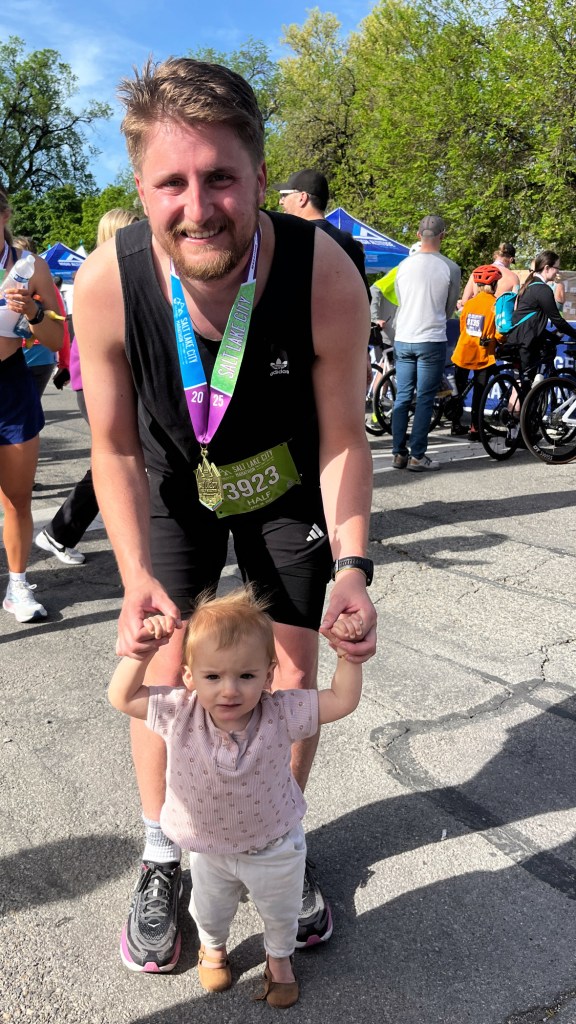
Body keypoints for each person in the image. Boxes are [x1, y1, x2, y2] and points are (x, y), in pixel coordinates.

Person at [73, 58, 376, 975]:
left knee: (290, 667)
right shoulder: (106, 282)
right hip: (177, 481)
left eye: (221, 178)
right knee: (167, 664)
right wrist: (134, 578)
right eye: (172, 181)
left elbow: (343, 435)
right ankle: (165, 851)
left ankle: (278, 834)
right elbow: (113, 448)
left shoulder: (324, 269)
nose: (198, 207)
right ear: (141, 187)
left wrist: (353, 567)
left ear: (258, 174)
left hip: (283, 482)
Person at [108, 587, 363, 1006]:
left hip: (274, 845)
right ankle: (213, 948)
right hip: (208, 848)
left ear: (268, 676)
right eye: (213, 676)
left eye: (246, 676)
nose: (229, 690)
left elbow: (341, 700)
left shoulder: (280, 712)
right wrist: (141, 653)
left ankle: (278, 959)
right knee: (209, 910)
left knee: (282, 913)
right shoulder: (180, 711)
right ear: (189, 676)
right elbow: (122, 697)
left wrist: (349, 657)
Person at [35, 209, 140, 566]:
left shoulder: (119, 271)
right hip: (98, 379)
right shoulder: (100, 274)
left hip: (108, 377)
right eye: (135, 230)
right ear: (117, 235)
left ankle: (60, 532)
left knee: (125, 456)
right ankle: (59, 532)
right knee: (116, 456)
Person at [0, 190, 63, 622]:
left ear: (4, 214)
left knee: (17, 498)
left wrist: (35, 315)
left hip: (10, 387)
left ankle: (18, 586)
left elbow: (58, 340)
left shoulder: (30, 267)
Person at [391, 214, 461, 471]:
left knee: (402, 397)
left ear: (418, 235)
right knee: (424, 398)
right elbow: (449, 308)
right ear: (443, 236)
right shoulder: (450, 267)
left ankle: (399, 453)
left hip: (403, 337)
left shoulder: (403, 265)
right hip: (431, 338)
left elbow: (400, 300)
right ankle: (418, 456)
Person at [451, 265, 503, 441]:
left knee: (458, 389)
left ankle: (455, 424)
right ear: (494, 284)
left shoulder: (469, 303)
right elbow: (499, 333)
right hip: (483, 355)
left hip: (463, 351)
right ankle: (475, 429)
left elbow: (462, 327)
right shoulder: (495, 304)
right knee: (479, 393)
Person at [505, 250, 576, 377]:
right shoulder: (542, 289)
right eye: (557, 268)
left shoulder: (529, 285)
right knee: (527, 383)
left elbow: (530, 321)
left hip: (518, 339)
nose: (558, 272)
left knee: (524, 382)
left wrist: (550, 336)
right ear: (547, 268)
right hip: (527, 343)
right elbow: (557, 320)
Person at [458, 242, 519, 308]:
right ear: (511, 259)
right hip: (497, 313)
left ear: (496, 255)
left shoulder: (477, 272)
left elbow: (465, 301)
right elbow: (515, 305)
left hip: (476, 312)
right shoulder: (514, 278)